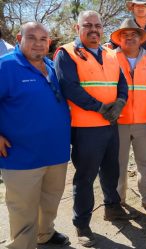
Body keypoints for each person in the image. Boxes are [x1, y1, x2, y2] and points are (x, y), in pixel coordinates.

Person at [54, 10, 132, 247]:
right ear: (77, 29)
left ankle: (112, 207)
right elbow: (70, 87)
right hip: (86, 128)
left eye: (98, 25)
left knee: (111, 170)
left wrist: (120, 102)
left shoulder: (110, 53)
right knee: (85, 178)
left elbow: (122, 83)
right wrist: (100, 107)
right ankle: (82, 225)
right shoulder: (66, 53)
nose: (94, 30)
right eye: (87, 25)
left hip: (110, 125)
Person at [0, 22, 71, 249]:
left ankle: (44, 234)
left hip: (55, 153)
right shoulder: (6, 67)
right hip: (21, 155)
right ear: (19, 38)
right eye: (32, 38)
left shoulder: (50, 66)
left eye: (43, 39)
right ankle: (23, 245)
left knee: (50, 201)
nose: (38, 44)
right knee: (23, 209)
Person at [111, 18, 146, 214]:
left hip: (144, 121)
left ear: (141, 38)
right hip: (119, 121)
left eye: (134, 35)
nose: (130, 38)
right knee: (119, 163)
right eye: (125, 35)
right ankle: (118, 200)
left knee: (145, 163)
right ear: (119, 38)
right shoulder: (110, 57)